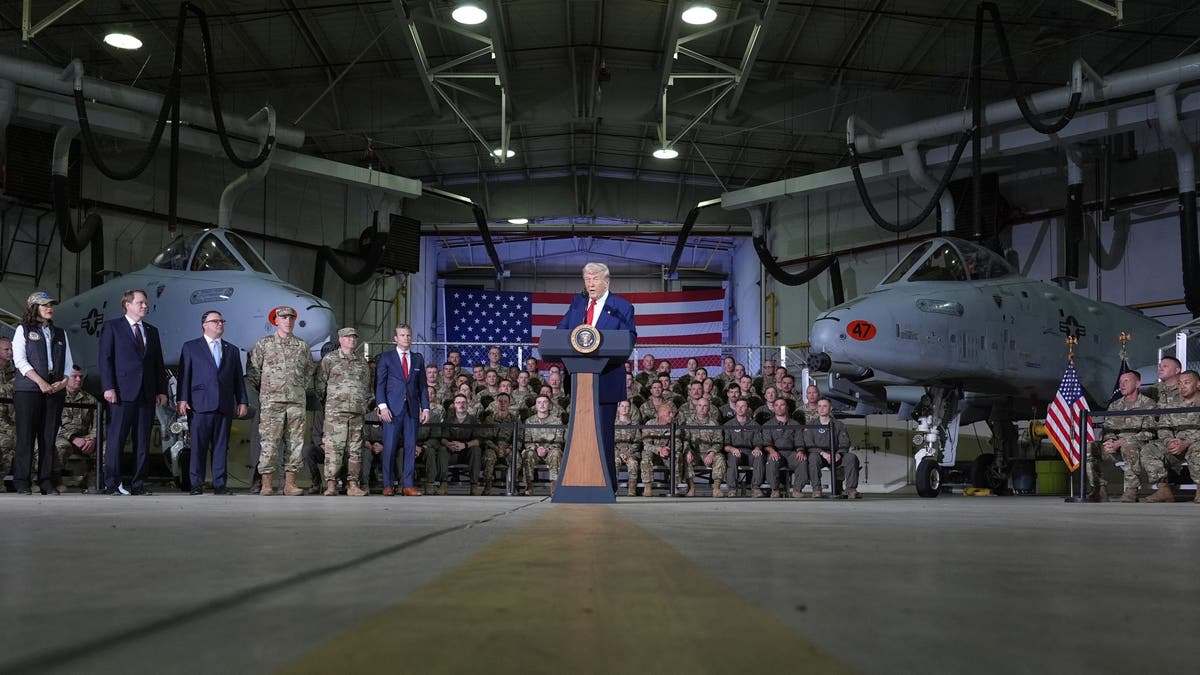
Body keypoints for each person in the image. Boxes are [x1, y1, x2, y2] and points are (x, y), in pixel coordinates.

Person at [555, 261, 636, 491]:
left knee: (602, 436)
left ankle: (606, 485)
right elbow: (561, 333)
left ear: (607, 281)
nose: (590, 283)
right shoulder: (577, 304)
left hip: (606, 380)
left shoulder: (622, 307)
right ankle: (578, 482)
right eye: (587, 279)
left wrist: (598, 356)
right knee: (580, 437)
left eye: (595, 279)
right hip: (579, 382)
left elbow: (628, 340)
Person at [99, 289, 167, 496]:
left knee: (142, 441)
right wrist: (108, 387)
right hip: (121, 392)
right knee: (116, 439)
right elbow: (105, 359)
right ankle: (112, 482)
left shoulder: (151, 331)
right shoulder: (113, 327)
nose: (145, 306)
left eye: (145, 303)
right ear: (127, 305)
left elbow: (157, 363)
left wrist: (161, 390)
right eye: (141, 303)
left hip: (146, 394)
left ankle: (138, 484)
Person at [246, 305, 315, 496]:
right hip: (271, 402)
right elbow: (253, 371)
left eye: (291, 318)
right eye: (283, 318)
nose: (288, 321)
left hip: (295, 402)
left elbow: (309, 370)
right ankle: (267, 483)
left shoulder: (302, 346)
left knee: (295, 443)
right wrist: (266, 390)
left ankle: (290, 484)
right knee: (269, 442)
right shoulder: (264, 344)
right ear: (275, 321)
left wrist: (298, 387)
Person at [177, 311, 248, 495]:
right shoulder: (191, 347)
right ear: (204, 325)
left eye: (221, 321)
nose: (220, 324)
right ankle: (196, 484)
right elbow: (185, 375)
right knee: (198, 446)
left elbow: (238, 378)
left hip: (224, 404)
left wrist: (242, 400)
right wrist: (182, 399)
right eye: (215, 321)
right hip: (199, 404)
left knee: (221, 446)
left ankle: (219, 484)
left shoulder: (231, 349)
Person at [11, 292, 74, 495]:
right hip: (28, 391)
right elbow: (20, 360)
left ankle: (46, 481)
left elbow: (68, 363)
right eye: (44, 305)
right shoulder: (23, 330)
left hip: (54, 391)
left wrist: (63, 382)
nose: (49, 308)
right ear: (34, 308)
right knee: (26, 437)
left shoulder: (60, 333)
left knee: (48, 438)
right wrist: (40, 382)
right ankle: (22, 481)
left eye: (51, 305)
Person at [316, 327, 371, 497]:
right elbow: (320, 385)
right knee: (334, 449)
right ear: (340, 339)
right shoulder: (330, 359)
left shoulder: (362, 362)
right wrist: (330, 404)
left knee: (355, 450)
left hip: (356, 413)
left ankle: (352, 484)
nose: (352, 340)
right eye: (348, 337)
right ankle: (331, 484)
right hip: (336, 414)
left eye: (354, 337)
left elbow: (367, 387)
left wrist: (362, 404)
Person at [376, 324, 430, 497]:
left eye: (408, 335)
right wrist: (382, 406)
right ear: (395, 338)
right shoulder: (386, 358)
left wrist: (426, 408)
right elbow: (380, 384)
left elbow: (422, 386)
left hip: (412, 410)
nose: (406, 338)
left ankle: (408, 485)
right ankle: (388, 484)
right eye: (402, 335)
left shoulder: (418, 359)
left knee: (410, 448)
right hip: (392, 410)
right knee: (390, 448)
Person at [1086, 370, 1155, 502]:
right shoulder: (1115, 405)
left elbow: (1149, 432)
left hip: (1138, 445)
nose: (1122, 385)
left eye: (1126, 381)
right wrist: (1110, 440)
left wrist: (1123, 441)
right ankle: (1099, 489)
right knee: (1089, 448)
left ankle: (1131, 490)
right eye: (1120, 382)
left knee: (1129, 447)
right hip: (1115, 446)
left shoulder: (1148, 404)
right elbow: (1108, 428)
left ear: (1137, 383)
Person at [1140, 370, 1200, 503]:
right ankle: (1163, 490)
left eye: (1187, 383)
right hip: (1176, 445)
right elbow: (1163, 427)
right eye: (1179, 383)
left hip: (1195, 442)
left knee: (1198, 449)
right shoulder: (1171, 404)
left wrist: (1187, 442)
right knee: (1149, 449)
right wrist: (1169, 441)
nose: (1182, 386)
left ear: (1198, 384)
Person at [801, 397, 861, 499]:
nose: (821, 409)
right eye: (819, 406)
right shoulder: (811, 425)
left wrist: (839, 453)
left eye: (825, 406)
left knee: (851, 458)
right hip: (819, 455)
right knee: (812, 458)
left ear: (831, 408)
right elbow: (809, 444)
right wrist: (823, 453)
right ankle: (816, 489)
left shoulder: (839, 425)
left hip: (836, 454)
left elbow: (845, 442)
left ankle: (851, 490)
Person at [55, 367, 98, 492]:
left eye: (81, 377)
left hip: (85, 439)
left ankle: (91, 481)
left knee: (106, 447)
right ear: (66, 378)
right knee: (61, 447)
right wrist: (73, 438)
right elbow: (52, 425)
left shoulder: (90, 399)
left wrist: (92, 438)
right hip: (63, 437)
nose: (78, 380)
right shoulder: (57, 397)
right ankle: (56, 481)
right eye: (74, 376)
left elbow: (99, 423)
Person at [761, 397, 807, 498]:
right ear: (773, 408)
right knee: (772, 460)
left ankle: (797, 490)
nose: (779, 407)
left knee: (801, 460)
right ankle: (775, 489)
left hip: (791, 453)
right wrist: (772, 451)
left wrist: (800, 451)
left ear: (787, 407)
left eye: (782, 405)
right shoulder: (768, 425)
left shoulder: (795, 424)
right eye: (776, 405)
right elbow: (766, 443)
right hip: (776, 452)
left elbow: (799, 442)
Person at [521, 394, 564, 496]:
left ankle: (554, 487)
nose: (542, 405)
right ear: (535, 406)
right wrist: (536, 448)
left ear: (550, 405)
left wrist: (547, 448)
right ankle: (529, 486)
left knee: (556, 453)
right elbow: (527, 440)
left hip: (550, 451)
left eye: (545, 402)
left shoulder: (557, 421)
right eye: (539, 402)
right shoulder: (529, 421)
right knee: (528, 454)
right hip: (535, 451)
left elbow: (559, 440)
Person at [723, 399, 765, 497]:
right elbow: (725, 445)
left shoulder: (754, 425)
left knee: (759, 456)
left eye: (743, 406)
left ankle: (755, 488)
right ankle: (732, 488)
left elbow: (758, 442)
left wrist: (758, 448)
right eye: (738, 406)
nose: (740, 409)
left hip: (750, 452)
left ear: (747, 408)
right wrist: (732, 449)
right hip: (735, 452)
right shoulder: (728, 425)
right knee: (732, 457)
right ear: (735, 408)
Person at [614, 400, 642, 497]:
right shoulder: (612, 423)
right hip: (616, 453)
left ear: (630, 409)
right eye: (622, 406)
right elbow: (609, 442)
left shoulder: (634, 425)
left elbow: (637, 442)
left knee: (633, 464)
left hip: (631, 453)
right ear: (618, 408)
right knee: (614, 463)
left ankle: (632, 491)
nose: (624, 408)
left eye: (627, 406)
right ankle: (614, 490)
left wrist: (627, 453)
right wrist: (619, 454)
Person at [0, 336, 16, 484]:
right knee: (6, 442)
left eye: (11, 349)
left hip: (12, 419)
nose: (10, 352)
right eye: (6, 349)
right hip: (2, 423)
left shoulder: (18, 371)